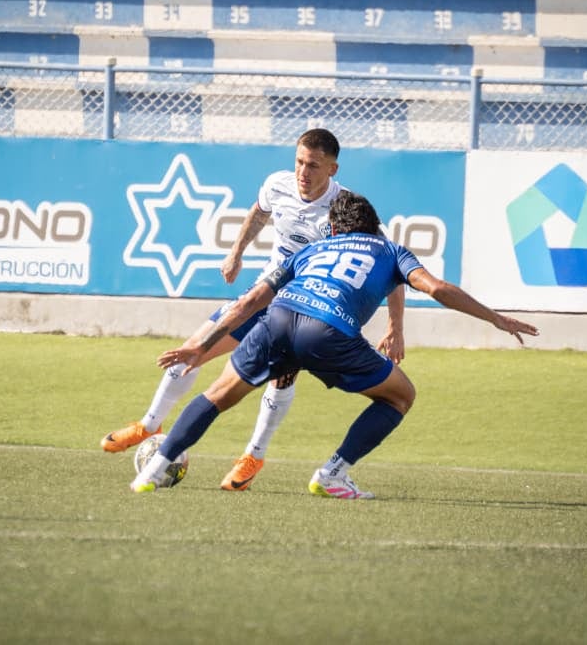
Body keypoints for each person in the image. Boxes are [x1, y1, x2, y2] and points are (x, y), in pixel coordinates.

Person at [131, 191, 539, 498]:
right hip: (328, 331)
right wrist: (495, 319)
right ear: (373, 225)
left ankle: (153, 471)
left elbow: (252, 300)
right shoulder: (391, 249)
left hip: (279, 318)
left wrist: (201, 347)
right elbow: (437, 289)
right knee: (401, 395)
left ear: (336, 227)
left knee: (217, 394)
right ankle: (332, 474)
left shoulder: (313, 249)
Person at [103, 129, 406, 492]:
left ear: (332, 168)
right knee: (193, 350)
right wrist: (236, 252)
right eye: (299, 162)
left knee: (281, 377)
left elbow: (390, 265)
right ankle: (149, 425)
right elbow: (258, 214)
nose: (302, 172)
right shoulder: (278, 184)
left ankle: (253, 455)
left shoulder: (348, 210)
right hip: (262, 291)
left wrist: (395, 327)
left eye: (313, 165)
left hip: (301, 305)